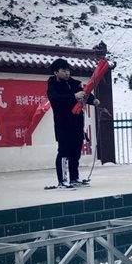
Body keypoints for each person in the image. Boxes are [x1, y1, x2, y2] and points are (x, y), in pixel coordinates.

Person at [47, 58, 99, 188]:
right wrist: (73, 96)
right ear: (56, 72)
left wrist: (93, 101)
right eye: (64, 70)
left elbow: (85, 94)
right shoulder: (53, 86)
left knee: (75, 152)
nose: (67, 73)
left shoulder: (74, 83)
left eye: (68, 70)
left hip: (77, 123)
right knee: (64, 152)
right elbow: (56, 99)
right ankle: (63, 180)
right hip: (63, 124)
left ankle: (74, 178)